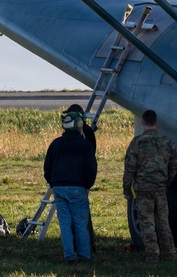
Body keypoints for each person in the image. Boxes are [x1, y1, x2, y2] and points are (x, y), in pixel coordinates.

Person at [123, 109, 177, 264]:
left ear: (143, 123)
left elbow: (130, 168)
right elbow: (174, 165)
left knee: (147, 223)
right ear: (156, 123)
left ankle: (153, 256)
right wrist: (167, 183)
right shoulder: (167, 141)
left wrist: (127, 190)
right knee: (163, 222)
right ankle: (170, 253)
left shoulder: (137, 142)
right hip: (160, 188)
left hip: (143, 189)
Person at [43, 109, 97, 265]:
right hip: (77, 188)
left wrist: (53, 183)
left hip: (58, 188)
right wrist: (87, 185)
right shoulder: (85, 145)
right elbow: (91, 169)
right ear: (78, 124)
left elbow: (47, 167)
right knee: (80, 223)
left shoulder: (55, 144)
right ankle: (84, 255)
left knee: (65, 223)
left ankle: (69, 256)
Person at [65, 104, 96, 252]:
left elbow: (89, 156)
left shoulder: (87, 132)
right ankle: (78, 245)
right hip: (74, 178)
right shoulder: (71, 132)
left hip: (81, 179)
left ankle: (88, 245)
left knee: (82, 215)